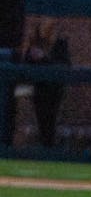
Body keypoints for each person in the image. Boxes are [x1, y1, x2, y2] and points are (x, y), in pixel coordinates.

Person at [17, 17, 70, 147]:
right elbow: (26, 64)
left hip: (54, 91)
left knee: (50, 121)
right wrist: (32, 56)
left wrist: (44, 58)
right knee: (41, 120)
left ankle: (49, 147)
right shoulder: (34, 43)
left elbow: (64, 66)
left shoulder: (60, 42)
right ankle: (43, 144)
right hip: (37, 89)